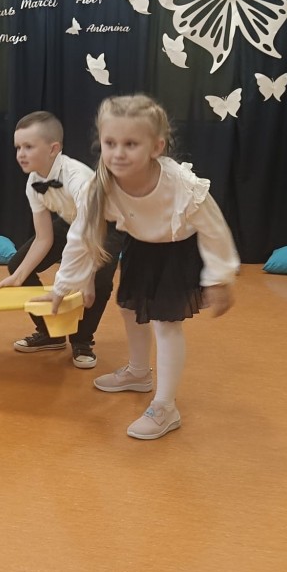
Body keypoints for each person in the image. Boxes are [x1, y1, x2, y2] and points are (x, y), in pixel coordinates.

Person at [47, 94, 239, 440]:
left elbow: (214, 230)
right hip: (140, 244)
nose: (118, 153)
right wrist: (64, 284)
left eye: (131, 144)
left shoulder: (181, 185)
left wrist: (220, 278)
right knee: (129, 308)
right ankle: (138, 372)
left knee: (165, 324)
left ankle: (165, 406)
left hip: (177, 249)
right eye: (110, 143)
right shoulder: (101, 185)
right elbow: (81, 235)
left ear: (156, 147)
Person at [0, 111, 125, 369]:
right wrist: (19, 276)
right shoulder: (33, 183)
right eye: (18, 147)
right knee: (18, 265)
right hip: (71, 222)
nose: (20, 154)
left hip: (104, 225)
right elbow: (44, 238)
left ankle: (82, 340)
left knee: (97, 281)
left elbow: (89, 229)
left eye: (28, 147)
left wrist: (86, 276)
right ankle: (50, 333)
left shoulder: (78, 178)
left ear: (53, 149)